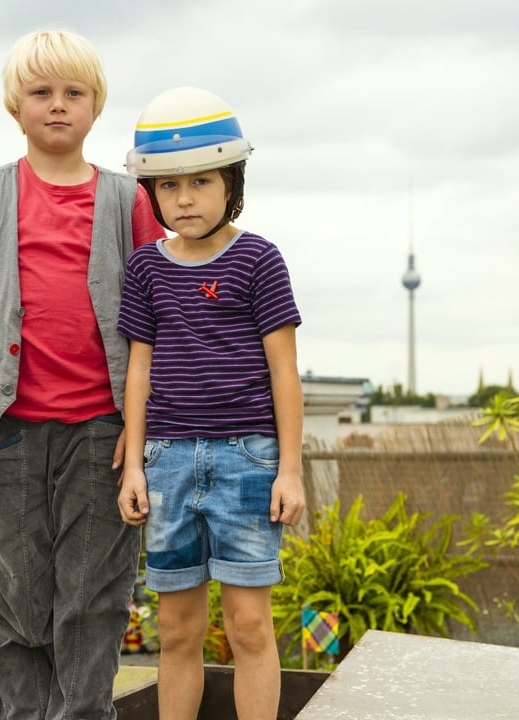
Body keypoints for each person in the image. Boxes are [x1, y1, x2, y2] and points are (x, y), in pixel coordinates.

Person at [0, 29, 165, 720]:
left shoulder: (129, 202)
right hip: (9, 432)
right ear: (16, 105)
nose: (57, 106)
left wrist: (144, 431)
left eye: (74, 93)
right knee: (19, 601)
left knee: (93, 603)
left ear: (96, 107)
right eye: (42, 92)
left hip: (104, 433)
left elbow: (157, 321)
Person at [115, 87, 306, 720]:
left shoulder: (260, 259)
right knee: (175, 629)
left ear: (233, 181)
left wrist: (290, 469)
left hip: (248, 464)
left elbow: (285, 373)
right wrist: (137, 464)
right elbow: (138, 371)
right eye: (169, 186)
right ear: (153, 194)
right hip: (166, 462)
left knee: (249, 625)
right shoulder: (145, 268)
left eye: (200, 180)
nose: (185, 198)